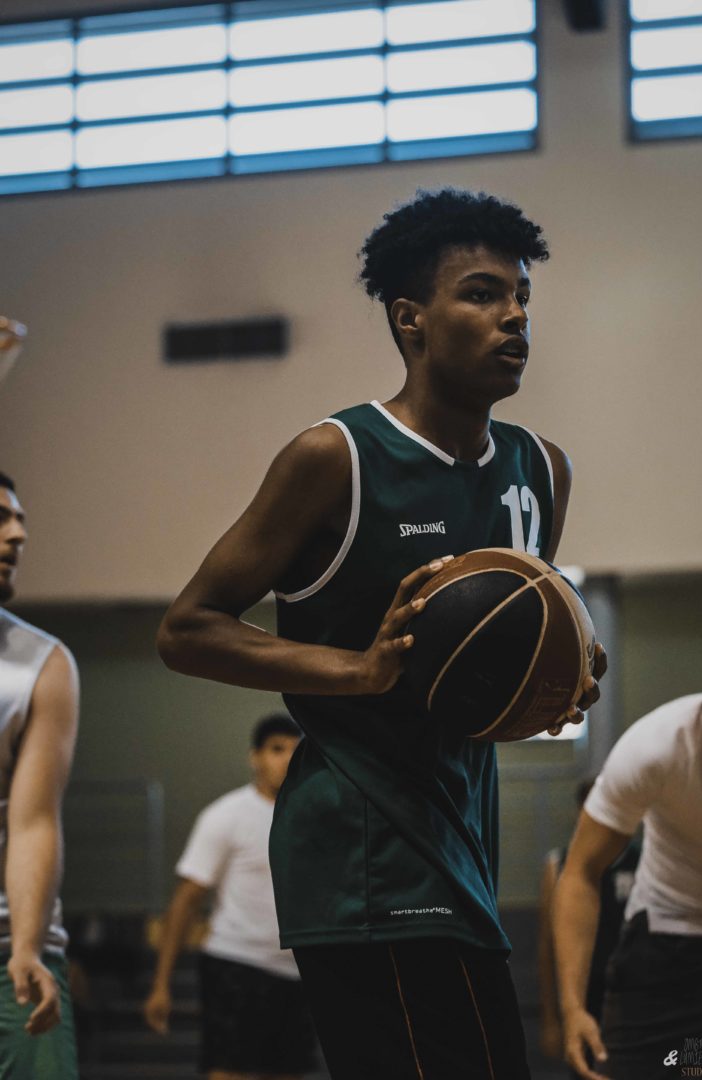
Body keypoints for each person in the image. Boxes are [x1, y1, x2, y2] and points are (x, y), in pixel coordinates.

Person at [158, 188, 604, 1080]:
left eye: (522, 295)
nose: (516, 314)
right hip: (360, 844)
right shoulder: (336, 456)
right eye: (482, 293)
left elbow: (494, 664)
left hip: (461, 833)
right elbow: (187, 630)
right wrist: (357, 669)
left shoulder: (541, 469)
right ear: (411, 319)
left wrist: (557, 680)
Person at [553, 608, 702, 1080]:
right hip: (672, 953)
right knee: (685, 1068)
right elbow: (581, 872)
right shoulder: (659, 748)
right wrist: (572, 1009)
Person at [143, 712, 316, 1080]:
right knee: (227, 1072)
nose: (287, 759)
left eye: (295, 750)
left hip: (297, 972)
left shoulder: (314, 817)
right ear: (255, 757)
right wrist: (161, 983)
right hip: (236, 964)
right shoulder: (225, 815)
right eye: (276, 749)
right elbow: (186, 900)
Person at [0, 470, 80, 1078]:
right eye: (1, 518)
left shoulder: (40, 664)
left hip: (11, 956)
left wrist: (27, 946)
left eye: (19, 520)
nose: (17, 534)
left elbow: (32, 823)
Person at [538, 779, 639, 1074]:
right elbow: (547, 946)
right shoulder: (559, 864)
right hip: (585, 995)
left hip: (633, 994)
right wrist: (552, 1018)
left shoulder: (644, 861)